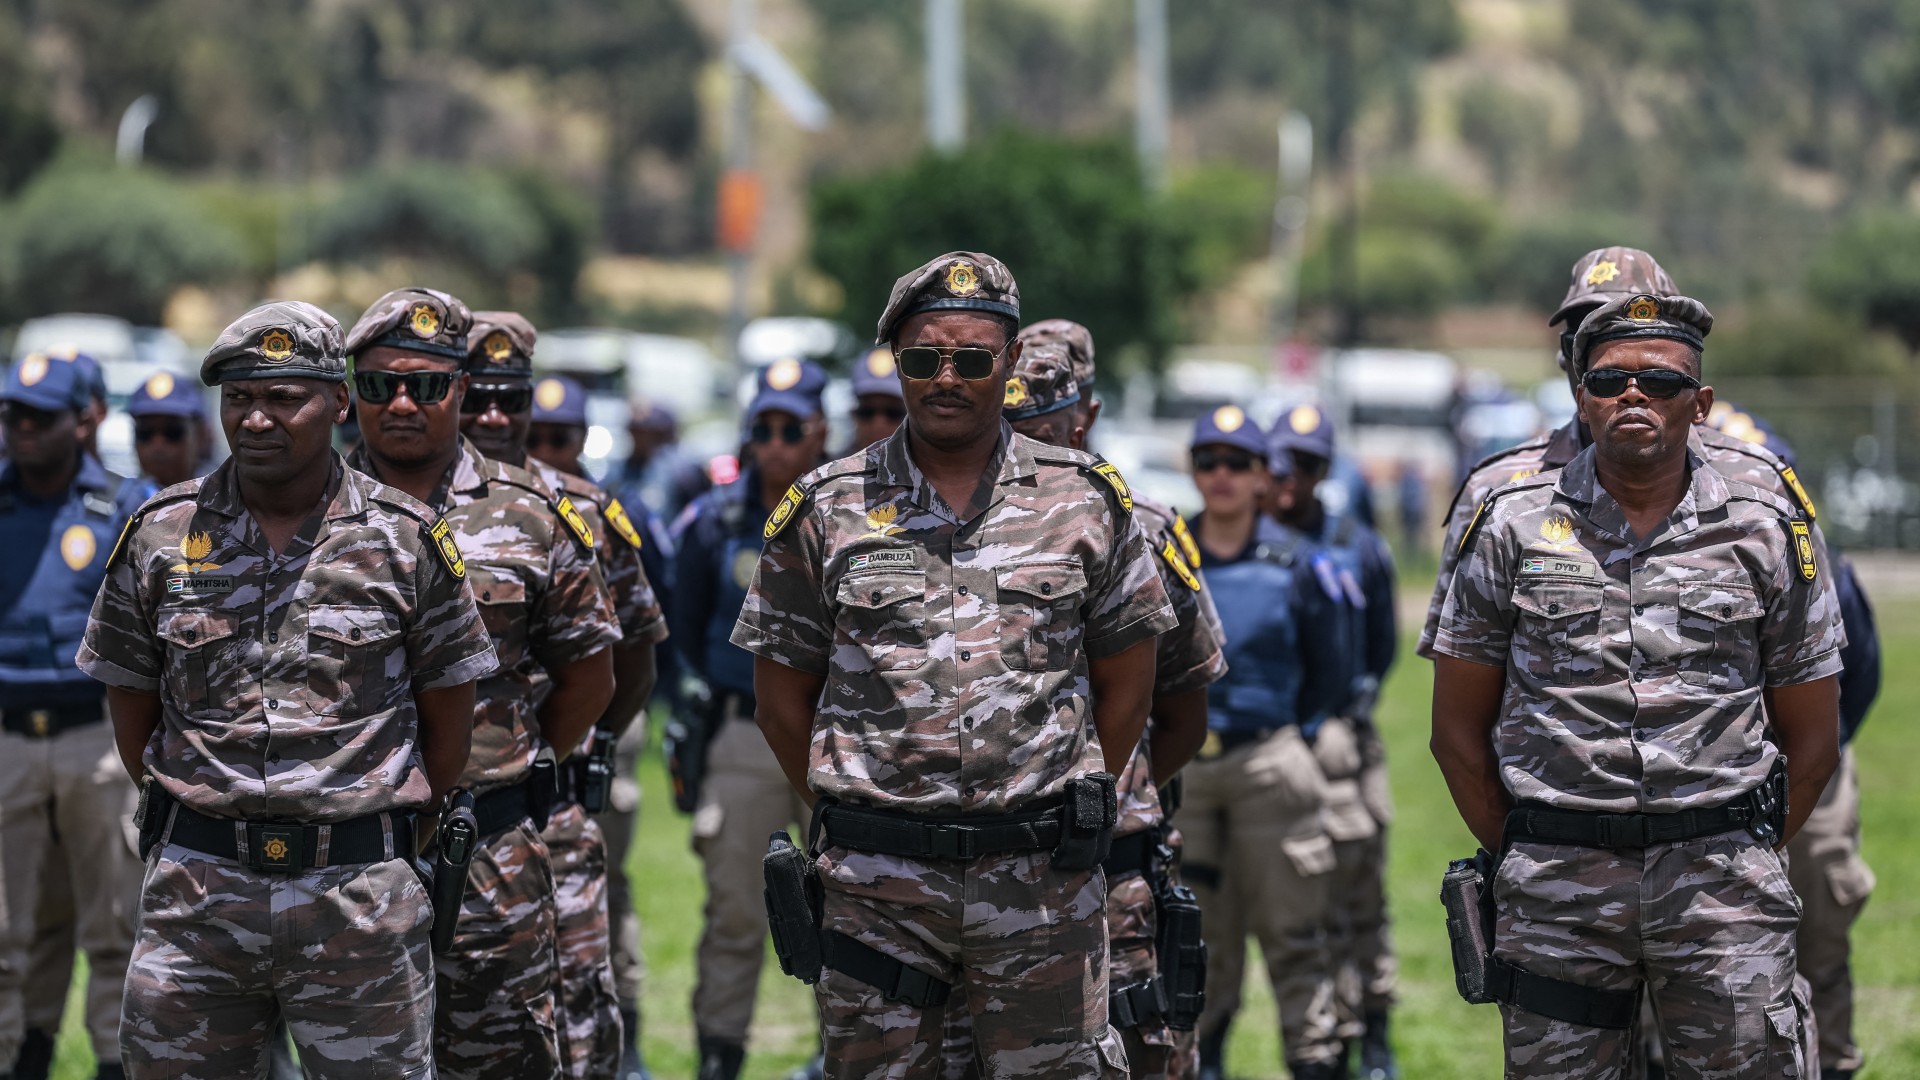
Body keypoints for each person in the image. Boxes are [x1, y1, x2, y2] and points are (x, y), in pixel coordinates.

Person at [733, 251, 1176, 1079]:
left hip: (1041, 884)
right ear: (894, 361)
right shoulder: (827, 506)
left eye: (973, 359)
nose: (947, 377)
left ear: (1007, 366)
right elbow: (781, 697)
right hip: (877, 892)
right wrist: (869, 809)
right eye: (923, 357)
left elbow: (1130, 683)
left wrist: (1063, 802)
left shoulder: (1087, 499)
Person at [75, 301, 499, 1079]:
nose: (258, 420)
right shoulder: (162, 535)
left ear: (338, 402)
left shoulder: (406, 541)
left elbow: (449, 729)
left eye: (283, 398)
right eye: (240, 399)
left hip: (359, 902)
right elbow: (133, 712)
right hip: (197, 897)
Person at [1430, 292, 1843, 1078]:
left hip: (1723, 891)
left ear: (1702, 404)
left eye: (1661, 382)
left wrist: (1730, 845)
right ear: (1580, 397)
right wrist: (1533, 851)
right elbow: (1456, 734)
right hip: (1559, 891)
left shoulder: (1765, 522)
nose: (1633, 397)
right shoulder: (1510, 521)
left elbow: (1814, 737)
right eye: (1610, 380)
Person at [343, 287, 620, 1080]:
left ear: (460, 390)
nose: (402, 402)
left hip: (490, 850)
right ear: (349, 395)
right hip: (347, 862)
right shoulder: (309, 507)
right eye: (379, 384)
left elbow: (591, 682)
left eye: (426, 384)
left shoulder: (535, 515)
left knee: (503, 1058)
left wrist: (497, 770)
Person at [938, 343, 1225, 1080]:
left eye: (1044, 421)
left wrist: (1097, 789)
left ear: (1083, 418)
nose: (1028, 437)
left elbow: (1185, 711)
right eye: (1014, 420)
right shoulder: (940, 523)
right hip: (973, 872)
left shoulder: (1142, 528)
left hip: (1111, 868)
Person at [463, 316, 668, 1080]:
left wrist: (561, 747)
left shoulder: (581, 511)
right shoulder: (404, 504)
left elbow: (636, 655)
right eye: (479, 397)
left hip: (554, 800)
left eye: (510, 400)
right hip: (452, 809)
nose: (495, 417)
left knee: (575, 1000)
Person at [1177, 406, 1350, 1080]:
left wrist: (1294, 734)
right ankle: (1203, 1059)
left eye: (1237, 462)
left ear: (1262, 476)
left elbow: (1332, 667)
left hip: (1270, 763)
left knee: (1293, 936)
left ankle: (1313, 1059)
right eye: (1207, 460)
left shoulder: (1300, 563)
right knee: (1194, 940)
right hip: (1188, 771)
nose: (1220, 475)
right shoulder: (1167, 551)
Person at [672, 357, 830, 1080]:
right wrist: (690, 707)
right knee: (736, 910)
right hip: (742, 736)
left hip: (837, 737)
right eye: (761, 428)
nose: (774, 442)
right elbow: (682, 627)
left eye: (789, 427)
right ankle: (718, 1057)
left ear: (819, 431)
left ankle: (845, 1056)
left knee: (850, 909)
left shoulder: (851, 513)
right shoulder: (716, 519)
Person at [0, 351, 144, 1080]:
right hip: (5, 740)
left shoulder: (123, 506)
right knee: (5, 931)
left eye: (38, 418)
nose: (22, 430)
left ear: (80, 422)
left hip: (95, 736)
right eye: (11, 416)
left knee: (114, 923)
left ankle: (115, 1064)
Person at [1269, 403, 1399, 1080]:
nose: (1292, 476)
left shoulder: (1356, 542)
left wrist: (1349, 715)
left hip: (1342, 742)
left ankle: (1372, 1030)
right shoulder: (1244, 538)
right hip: (1267, 742)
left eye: (1309, 463)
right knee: (1290, 907)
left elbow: (1381, 647)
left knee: (1359, 896)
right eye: (1283, 460)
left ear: (1325, 469)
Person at [127, 371, 214, 489]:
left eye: (172, 433)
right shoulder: (113, 503)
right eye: (145, 433)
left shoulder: (225, 499)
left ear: (200, 435)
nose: (158, 446)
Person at [847, 347, 906, 454]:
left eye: (893, 413)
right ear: (854, 415)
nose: (878, 424)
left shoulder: (930, 468)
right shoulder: (826, 469)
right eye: (867, 412)